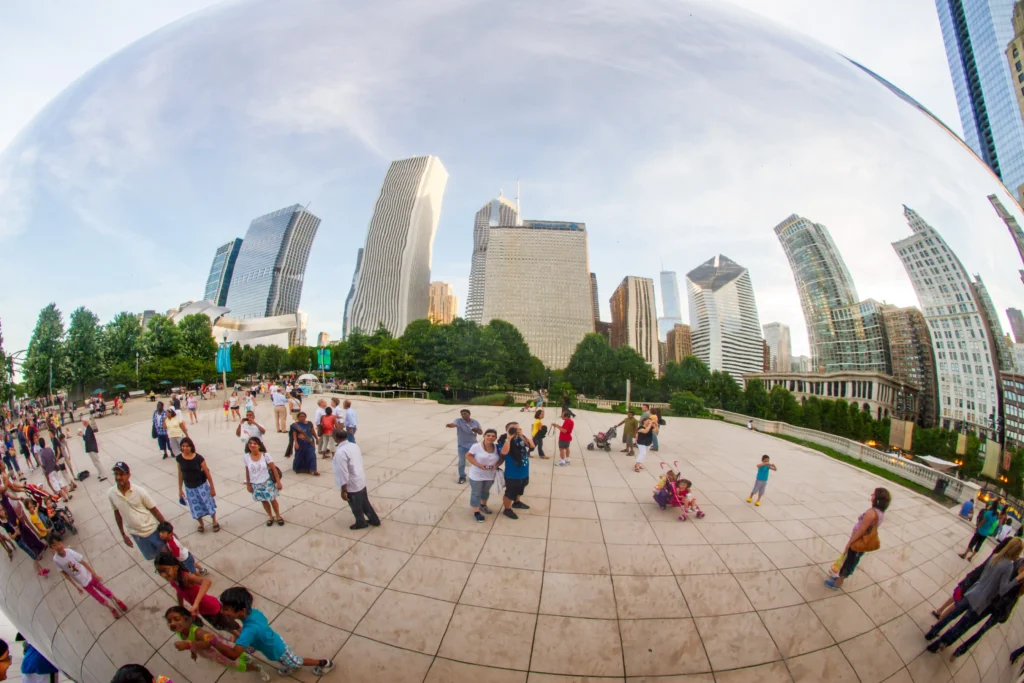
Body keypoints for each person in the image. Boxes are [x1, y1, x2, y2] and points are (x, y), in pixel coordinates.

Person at [926, 537, 1024, 654]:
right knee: (961, 625)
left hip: (973, 591)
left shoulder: (995, 556)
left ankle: (931, 633)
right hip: (982, 600)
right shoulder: (1008, 566)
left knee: (952, 614)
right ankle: (937, 645)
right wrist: (1016, 579)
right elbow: (1003, 590)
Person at [215, 586, 334, 677]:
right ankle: (288, 666)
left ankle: (324, 663)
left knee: (298, 662)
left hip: (279, 650)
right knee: (286, 660)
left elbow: (234, 654)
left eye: (226, 609)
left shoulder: (249, 631)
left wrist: (212, 640)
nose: (222, 612)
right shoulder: (254, 613)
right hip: (275, 641)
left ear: (242, 611)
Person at [164, 607, 267, 680]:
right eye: (169, 621)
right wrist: (192, 652)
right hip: (214, 655)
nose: (172, 624)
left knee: (240, 665)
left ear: (189, 619)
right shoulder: (179, 632)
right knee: (240, 656)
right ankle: (246, 658)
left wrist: (188, 645)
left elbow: (208, 643)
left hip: (222, 653)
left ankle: (257, 668)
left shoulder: (198, 632)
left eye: (177, 619)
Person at [825, 487, 891, 590]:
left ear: (877, 499)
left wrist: (850, 542)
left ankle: (837, 584)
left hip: (859, 541)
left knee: (849, 562)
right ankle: (838, 579)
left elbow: (861, 530)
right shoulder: (880, 513)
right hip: (862, 542)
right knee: (849, 560)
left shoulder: (872, 513)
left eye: (873, 495)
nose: (871, 496)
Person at [154, 552, 239, 632]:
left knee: (232, 625)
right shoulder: (173, 580)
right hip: (202, 610)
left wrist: (196, 603)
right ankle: (235, 635)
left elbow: (207, 582)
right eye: (159, 572)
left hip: (212, 608)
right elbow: (179, 592)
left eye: (165, 570)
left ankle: (243, 636)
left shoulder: (186, 577)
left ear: (175, 567)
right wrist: (181, 606)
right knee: (222, 626)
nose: (163, 575)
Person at [50, 536, 128, 619]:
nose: (58, 547)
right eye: (55, 545)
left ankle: (116, 600)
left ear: (62, 543)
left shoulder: (69, 552)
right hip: (83, 583)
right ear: (52, 547)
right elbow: (64, 573)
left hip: (89, 576)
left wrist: (94, 574)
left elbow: (83, 562)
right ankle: (111, 608)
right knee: (98, 597)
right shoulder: (56, 560)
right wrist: (76, 586)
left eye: (59, 543)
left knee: (104, 590)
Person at [109, 461, 167, 560]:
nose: (118, 477)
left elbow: (154, 510)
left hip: (152, 530)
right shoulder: (111, 493)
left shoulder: (140, 491)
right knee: (155, 559)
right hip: (137, 535)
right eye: (116, 474)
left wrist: (167, 528)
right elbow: (117, 513)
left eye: (122, 474)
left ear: (128, 475)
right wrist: (123, 534)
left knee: (168, 555)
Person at [332, 425, 379, 529]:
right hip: (360, 480)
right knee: (365, 502)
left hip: (351, 484)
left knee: (355, 506)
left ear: (335, 438)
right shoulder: (354, 446)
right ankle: (374, 519)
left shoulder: (341, 453)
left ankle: (361, 522)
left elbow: (343, 473)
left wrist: (343, 490)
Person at [176, 437, 219, 533]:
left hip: (201, 485)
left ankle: (214, 522)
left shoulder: (199, 458)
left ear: (191, 447)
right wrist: (180, 489)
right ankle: (201, 524)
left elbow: (207, 473)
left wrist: (212, 488)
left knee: (208, 504)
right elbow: (180, 473)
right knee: (195, 507)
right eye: (183, 446)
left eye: (187, 446)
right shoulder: (179, 459)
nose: (185, 448)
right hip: (189, 488)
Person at [243, 437, 284, 526]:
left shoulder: (265, 455)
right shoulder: (246, 457)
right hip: (256, 485)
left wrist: (278, 482)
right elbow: (247, 472)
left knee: (272, 500)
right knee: (263, 501)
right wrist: (248, 485)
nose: (252, 445)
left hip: (267, 482)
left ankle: (278, 516)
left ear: (259, 445)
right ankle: (270, 516)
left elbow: (273, 469)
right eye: (250, 443)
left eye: (255, 443)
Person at [498, 422, 534, 520]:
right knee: (510, 493)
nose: (516, 430)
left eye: (517, 428)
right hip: (512, 474)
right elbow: (504, 452)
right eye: (513, 428)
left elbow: (532, 446)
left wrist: (522, 435)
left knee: (520, 488)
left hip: (524, 471)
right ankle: (507, 509)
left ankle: (517, 503)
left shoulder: (521, 438)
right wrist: (509, 438)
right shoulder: (503, 440)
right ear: (507, 430)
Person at [0, 504, 46, 576]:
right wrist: (16, 533)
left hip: (20, 538)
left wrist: (16, 528)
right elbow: (11, 537)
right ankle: (40, 570)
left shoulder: (7, 519)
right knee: (33, 556)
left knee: (33, 555)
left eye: (2, 509)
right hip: (19, 541)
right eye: (0, 511)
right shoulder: (5, 524)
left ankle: (41, 569)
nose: (2, 512)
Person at [467, 428, 500, 522]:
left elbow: (502, 457)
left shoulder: (497, 447)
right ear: (484, 436)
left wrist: (496, 465)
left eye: (493, 436)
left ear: (496, 438)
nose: (490, 437)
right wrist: (479, 465)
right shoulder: (476, 446)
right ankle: (476, 512)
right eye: (488, 435)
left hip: (490, 475)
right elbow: (468, 456)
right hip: (476, 475)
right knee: (476, 493)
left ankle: (483, 505)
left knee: (485, 491)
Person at [446, 409, 482, 484]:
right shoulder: (459, 421)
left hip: (473, 445)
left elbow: (481, 432)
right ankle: (462, 476)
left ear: (469, 414)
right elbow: (454, 424)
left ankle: (477, 476)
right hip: (462, 445)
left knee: (477, 461)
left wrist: (477, 430)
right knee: (462, 462)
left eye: (465, 414)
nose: (463, 415)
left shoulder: (475, 422)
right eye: (462, 414)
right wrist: (450, 425)